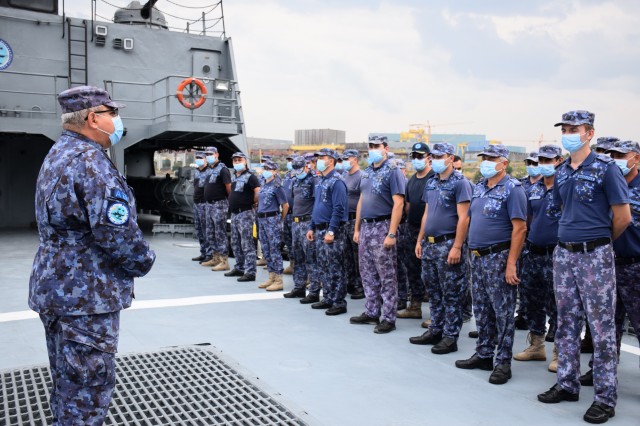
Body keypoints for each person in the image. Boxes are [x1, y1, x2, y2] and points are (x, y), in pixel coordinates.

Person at [29, 86, 156, 424]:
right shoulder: (91, 162)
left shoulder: (59, 153)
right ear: (92, 118)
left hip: (55, 288)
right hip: (86, 297)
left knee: (67, 385)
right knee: (87, 392)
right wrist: (144, 260)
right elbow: (116, 231)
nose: (117, 119)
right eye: (111, 113)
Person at [537, 111, 630, 425]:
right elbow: (561, 209)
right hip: (564, 254)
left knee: (601, 329)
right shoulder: (562, 171)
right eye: (564, 129)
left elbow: (623, 217)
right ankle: (567, 383)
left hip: (595, 256)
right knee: (566, 322)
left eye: (573, 129)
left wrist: (599, 242)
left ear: (589, 133)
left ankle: (605, 398)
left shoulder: (606, 169)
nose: (568, 134)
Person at [454, 144, 527, 385]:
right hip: (477, 256)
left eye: (491, 158)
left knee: (503, 312)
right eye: (484, 157)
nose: (486, 161)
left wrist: (511, 263)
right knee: (482, 308)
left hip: (499, 257)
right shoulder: (479, 187)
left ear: (504, 163)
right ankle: (484, 353)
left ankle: (503, 362)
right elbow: (470, 218)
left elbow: (520, 228)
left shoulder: (513, 189)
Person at [578, 140, 640, 387]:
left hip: (635, 266)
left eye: (622, 155)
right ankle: (600, 372)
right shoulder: (605, 185)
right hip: (605, 264)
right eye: (612, 155)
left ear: (636, 158)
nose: (616, 160)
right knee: (605, 325)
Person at [410, 142, 472, 355]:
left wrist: (457, 246)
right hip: (430, 244)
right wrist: (420, 240)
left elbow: (464, 217)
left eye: (439, 156)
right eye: (433, 156)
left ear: (450, 158)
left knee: (452, 293)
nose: (435, 160)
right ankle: (436, 329)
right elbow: (427, 213)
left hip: (448, 244)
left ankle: (450, 336)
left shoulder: (460, 183)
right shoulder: (432, 182)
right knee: (434, 291)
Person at [513, 145, 563, 370]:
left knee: (558, 305)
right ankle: (536, 346)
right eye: (541, 160)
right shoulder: (533, 188)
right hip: (533, 252)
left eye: (548, 160)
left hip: (557, 254)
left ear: (559, 161)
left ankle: (560, 353)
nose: (543, 164)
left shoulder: (565, 186)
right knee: (532, 301)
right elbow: (527, 219)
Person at [350, 136, 406, 333]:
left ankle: (388, 317)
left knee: (387, 275)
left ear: (386, 148)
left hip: (383, 225)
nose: (373, 149)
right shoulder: (366, 172)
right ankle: (372, 311)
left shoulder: (393, 171)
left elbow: (399, 203)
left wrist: (392, 233)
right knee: (367, 272)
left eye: (377, 146)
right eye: (371, 146)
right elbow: (361, 200)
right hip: (366, 227)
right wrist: (357, 228)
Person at [306, 148, 349, 315]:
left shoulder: (337, 181)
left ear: (331, 161)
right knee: (323, 266)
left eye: (322, 158)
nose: (318, 161)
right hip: (319, 228)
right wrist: (312, 226)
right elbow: (316, 206)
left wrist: (331, 231)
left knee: (335, 267)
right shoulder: (320, 180)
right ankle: (328, 298)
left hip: (332, 230)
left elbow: (339, 208)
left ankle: (339, 302)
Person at [397, 142, 433, 321]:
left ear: (428, 158)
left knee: (432, 273)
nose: (416, 159)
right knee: (412, 269)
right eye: (414, 156)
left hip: (429, 232)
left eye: (420, 156)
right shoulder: (411, 180)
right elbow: (408, 206)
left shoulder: (434, 179)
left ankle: (436, 314)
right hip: (411, 229)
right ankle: (415, 306)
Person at [283, 156, 320, 300]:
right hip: (296, 222)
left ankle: (314, 291)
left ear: (306, 166)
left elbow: (317, 203)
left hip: (307, 222)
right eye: (295, 169)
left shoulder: (314, 180)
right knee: (297, 256)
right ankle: (299, 287)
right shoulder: (295, 180)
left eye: (300, 169)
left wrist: (313, 225)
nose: (297, 172)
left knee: (310, 258)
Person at [514, 151, 542, 330]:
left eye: (535, 163)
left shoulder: (548, 184)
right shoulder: (521, 184)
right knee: (522, 280)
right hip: (521, 238)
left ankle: (551, 324)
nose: (531, 166)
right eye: (528, 163)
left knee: (544, 286)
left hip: (537, 237)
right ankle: (523, 314)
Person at [225, 152, 260, 282]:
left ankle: (250, 272)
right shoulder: (234, 176)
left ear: (245, 161)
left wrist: (253, 202)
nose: (237, 162)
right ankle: (239, 267)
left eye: (239, 160)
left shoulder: (251, 177)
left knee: (247, 243)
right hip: (235, 214)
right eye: (235, 160)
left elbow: (257, 192)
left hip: (245, 213)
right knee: (235, 242)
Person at [256, 160, 289, 291]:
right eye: (265, 168)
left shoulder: (277, 186)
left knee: (274, 249)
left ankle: (279, 280)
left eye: (269, 169)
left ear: (275, 171)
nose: (266, 171)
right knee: (266, 249)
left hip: (272, 219)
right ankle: (271, 276)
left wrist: (280, 219)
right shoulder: (263, 184)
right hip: (262, 219)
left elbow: (285, 205)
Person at [201, 146, 232, 271]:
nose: (208, 156)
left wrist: (229, 202)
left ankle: (224, 261)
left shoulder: (223, 169)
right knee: (210, 233)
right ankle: (215, 258)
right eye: (207, 154)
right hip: (209, 205)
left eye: (210, 154)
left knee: (220, 233)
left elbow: (228, 187)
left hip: (219, 204)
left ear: (217, 155)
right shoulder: (209, 169)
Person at [341, 149, 365, 299]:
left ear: (355, 159)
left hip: (356, 219)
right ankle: (351, 282)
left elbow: (363, 201)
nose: (344, 161)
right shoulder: (345, 176)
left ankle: (361, 285)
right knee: (347, 253)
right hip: (345, 219)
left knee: (358, 255)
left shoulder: (361, 176)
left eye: (347, 158)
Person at [192, 150, 211, 263]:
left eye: (201, 158)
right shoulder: (196, 172)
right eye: (197, 158)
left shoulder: (209, 171)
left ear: (205, 159)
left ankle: (209, 254)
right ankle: (203, 252)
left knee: (206, 229)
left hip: (204, 204)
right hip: (196, 203)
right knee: (199, 229)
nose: (198, 160)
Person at [282, 155, 296, 275]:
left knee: (296, 242)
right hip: (287, 213)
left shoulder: (300, 177)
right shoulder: (286, 176)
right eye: (289, 160)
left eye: (292, 161)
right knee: (288, 240)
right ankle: (292, 263)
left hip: (296, 215)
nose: (290, 163)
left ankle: (300, 266)